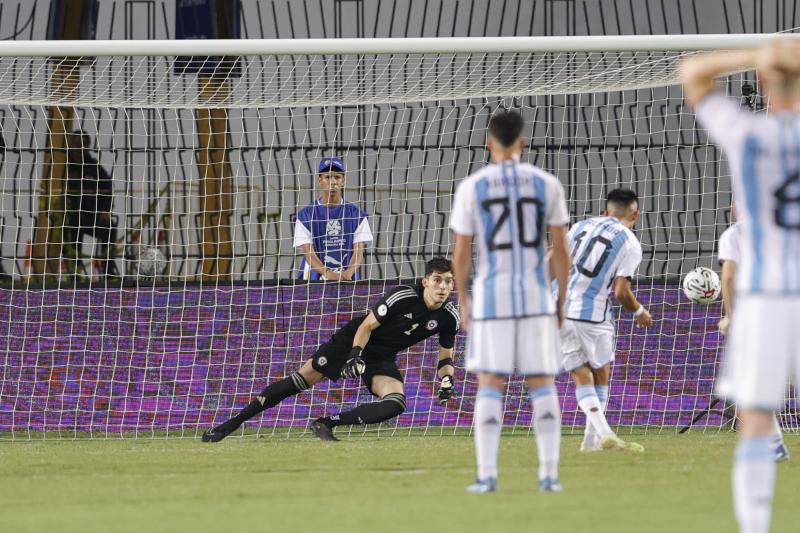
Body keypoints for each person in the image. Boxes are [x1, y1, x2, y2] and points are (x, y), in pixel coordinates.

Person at [681, 39, 800, 533]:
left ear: (764, 82)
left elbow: (692, 72)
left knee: (754, 418)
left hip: (767, 295)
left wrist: (760, 53)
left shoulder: (747, 133)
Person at [202, 257, 459, 442]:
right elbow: (367, 326)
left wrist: (447, 379)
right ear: (425, 281)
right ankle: (229, 425)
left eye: (448, 281)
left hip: (381, 357)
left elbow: (445, 355)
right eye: (437, 280)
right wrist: (354, 354)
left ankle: (326, 423)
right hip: (352, 341)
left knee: (396, 402)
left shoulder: (449, 316)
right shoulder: (402, 296)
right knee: (299, 380)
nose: (442, 287)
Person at [450, 109, 571, 493]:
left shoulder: (473, 186)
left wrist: (465, 300)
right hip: (535, 295)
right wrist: (561, 298)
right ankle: (548, 476)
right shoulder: (546, 184)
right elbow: (561, 250)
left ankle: (487, 476)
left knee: (490, 382)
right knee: (542, 383)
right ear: (523, 142)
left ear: (489, 143)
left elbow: (461, 254)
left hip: (491, 297)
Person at [560, 189, 651, 453]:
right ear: (635, 214)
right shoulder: (630, 243)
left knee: (581, 375)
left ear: (605, 211)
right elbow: (621, 292)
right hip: (593, 314)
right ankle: (602, 434)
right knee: (600, 374)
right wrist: (639, 312)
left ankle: (592, 443)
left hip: (560, 308)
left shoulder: (580, 226)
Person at [717, 218, 789, 462]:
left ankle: (771, 444)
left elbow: (728, 277)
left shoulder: (735, 234)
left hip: (761, 313)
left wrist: (730, 316)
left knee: (752, 384)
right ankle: (774, 442)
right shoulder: (785, 228)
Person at [293, 157, 373, 281]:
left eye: (337, 177)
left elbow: (358, 252)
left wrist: (347, 274)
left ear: (343, 180)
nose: (333, 182)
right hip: (313, 282)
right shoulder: (306, 215)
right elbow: (309, 253)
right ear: (320, 180)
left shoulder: (357, 215)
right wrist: (328, 274)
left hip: (346, 279)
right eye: (328, 177)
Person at [63, 131, 119, 278]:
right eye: (77, 144)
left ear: (88, 147)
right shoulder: (62, 165)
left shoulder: (94, 167)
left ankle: (108, 270)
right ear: (71, 146)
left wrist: (105, 210)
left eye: (83, 145)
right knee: (72, 227)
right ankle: (74, 271)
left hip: (90, 217)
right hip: (69, 218)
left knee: (110, 227)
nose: (80, 148)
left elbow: (108, 187)